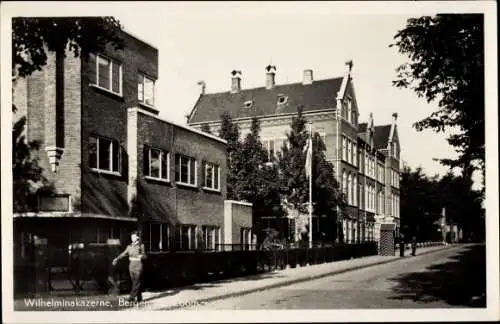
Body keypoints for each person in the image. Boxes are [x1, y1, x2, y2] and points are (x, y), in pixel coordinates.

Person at [112, 230, 147, 302]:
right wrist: (116, 259)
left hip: (138, 266)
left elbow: (145, 256)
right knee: (135, 282)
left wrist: (141, 256)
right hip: (131, 266)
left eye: (133, 237)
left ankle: (131, 297)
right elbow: (123, 254)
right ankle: (139, 298)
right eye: (131, 237)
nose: (132, 238)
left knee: (136, 282)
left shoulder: (141, 246)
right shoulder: (129, 246)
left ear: (137, 237)